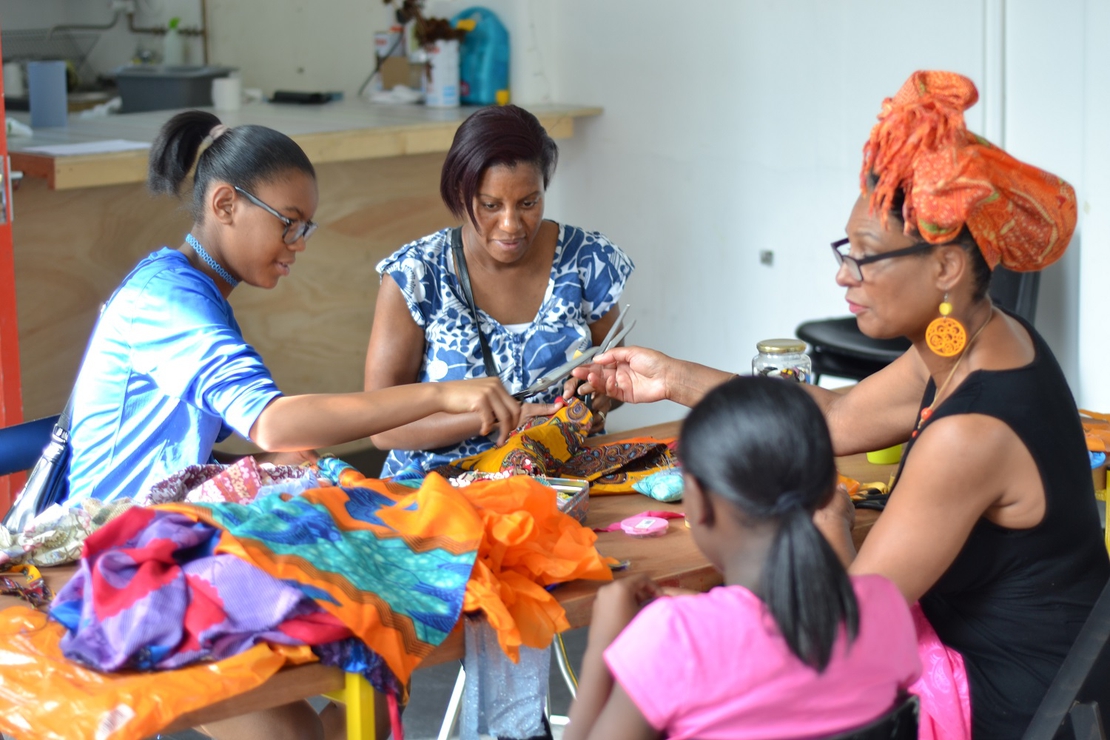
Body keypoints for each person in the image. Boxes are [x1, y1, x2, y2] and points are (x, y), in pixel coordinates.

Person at [573, 70, 1109, 738]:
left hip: (1011, 705)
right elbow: (828, 419)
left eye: (866, 258)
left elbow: (847, 630)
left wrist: (828, 517)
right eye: (845, 252)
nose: (843, 275)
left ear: (945, 267)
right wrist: (673, 378)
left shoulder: (968, 437)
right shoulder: (977, 338)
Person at [64, 110, 523, 740]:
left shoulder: (189, 288)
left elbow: (211, 429)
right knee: (376, 620)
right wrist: (440, 394)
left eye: (306, 228)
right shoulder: (170, 301)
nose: (298, 246)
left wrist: (265, 465)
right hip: (117, 565)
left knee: (381, 624)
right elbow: (274, 421)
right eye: (289, 224)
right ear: (225, 203)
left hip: (163, 537)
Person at [564, 376, 919, 740]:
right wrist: (705, 618)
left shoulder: (673, 639)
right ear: (829, 492)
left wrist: (604, 645)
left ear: (697, 502)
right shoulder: (884, 606)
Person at [364, 104, 634, 477]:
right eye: (490, 205)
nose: (511, 225)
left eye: (529, 203)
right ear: (461, 193)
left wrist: (602, 397)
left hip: (562, 474)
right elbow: (381, 426)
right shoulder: (416, 276)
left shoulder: (585, 259)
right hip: (441, 484)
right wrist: (492, 419)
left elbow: (615, 376)